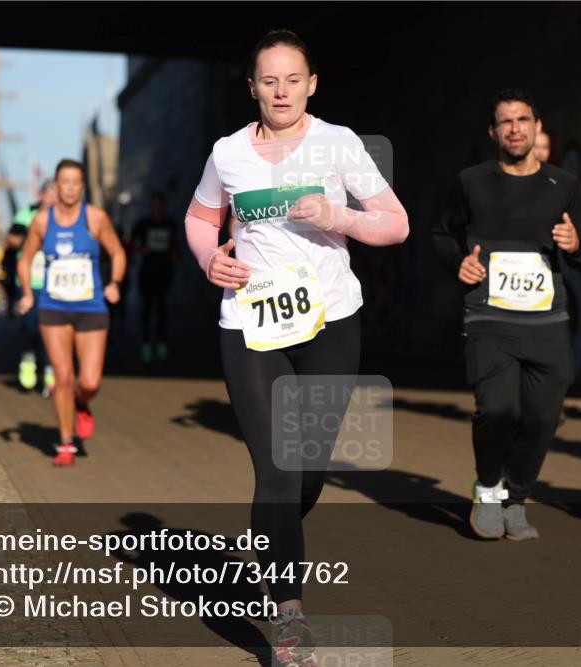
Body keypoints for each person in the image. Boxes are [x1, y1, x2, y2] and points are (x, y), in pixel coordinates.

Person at [184, 30, 408, 663]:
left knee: (307, 471)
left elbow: (396, 223)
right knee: (278, 468)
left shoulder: (339, 144)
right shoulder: (228, 153)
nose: (280, 91)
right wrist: (209, 259)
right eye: (268, 80)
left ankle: (269, 534)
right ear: (252, 87)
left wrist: (338, 217)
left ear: (312, 84)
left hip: (330, 321)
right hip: (250, 325)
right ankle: (290, 616)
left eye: (292, 80)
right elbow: (200, 217)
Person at [431, 88, 581, 542]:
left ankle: (515, 498)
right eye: (506, 122)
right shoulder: (471, 182)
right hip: (489, 316)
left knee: (542, 418)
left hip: (547, 320)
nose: (515, 129)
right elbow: (442, 234)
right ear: (493, 132)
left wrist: (575, 245)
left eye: (522, 120)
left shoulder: (564, 185)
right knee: (498, 407)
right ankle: (488, 487)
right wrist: (458, 263)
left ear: (537, 127)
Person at [18, 159, 126, 466]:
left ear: (82, 187)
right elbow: (25, 259)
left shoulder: (95, 217)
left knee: (90, 382)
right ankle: (66, 444)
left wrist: (115, 283)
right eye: (64, 182)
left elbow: (118, 252)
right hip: (54, 307)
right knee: (64, 377)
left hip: (91, 307)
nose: (69, 188)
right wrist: (27, 293)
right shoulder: (42, 221)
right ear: (56, 185)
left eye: (75, 182)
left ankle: (81, 402)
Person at [7, 180, 58, 394]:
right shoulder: (26, 214)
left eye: (57, 193)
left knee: (52, 329)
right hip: (30, 280)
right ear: (41, 194)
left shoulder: (64, 217)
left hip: (55, 283)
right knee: (31, 327)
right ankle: (28, 359)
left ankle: (51, 371)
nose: (54, 197)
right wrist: (33, 240)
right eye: (50, 192)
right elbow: (12, 239)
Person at [130, 191, 178, 363]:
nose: (157, 207)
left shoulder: (169, 223)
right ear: (151, 205)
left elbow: (175, 245)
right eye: (154, 204)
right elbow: (131, 243)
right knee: (147, 308)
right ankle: (146, 344)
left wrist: (173, 255)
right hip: (147, 272)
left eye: (159, 203)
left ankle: (162, 343)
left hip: (164, 272)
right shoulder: (144, 223)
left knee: (162, 308)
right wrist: (141, 249)